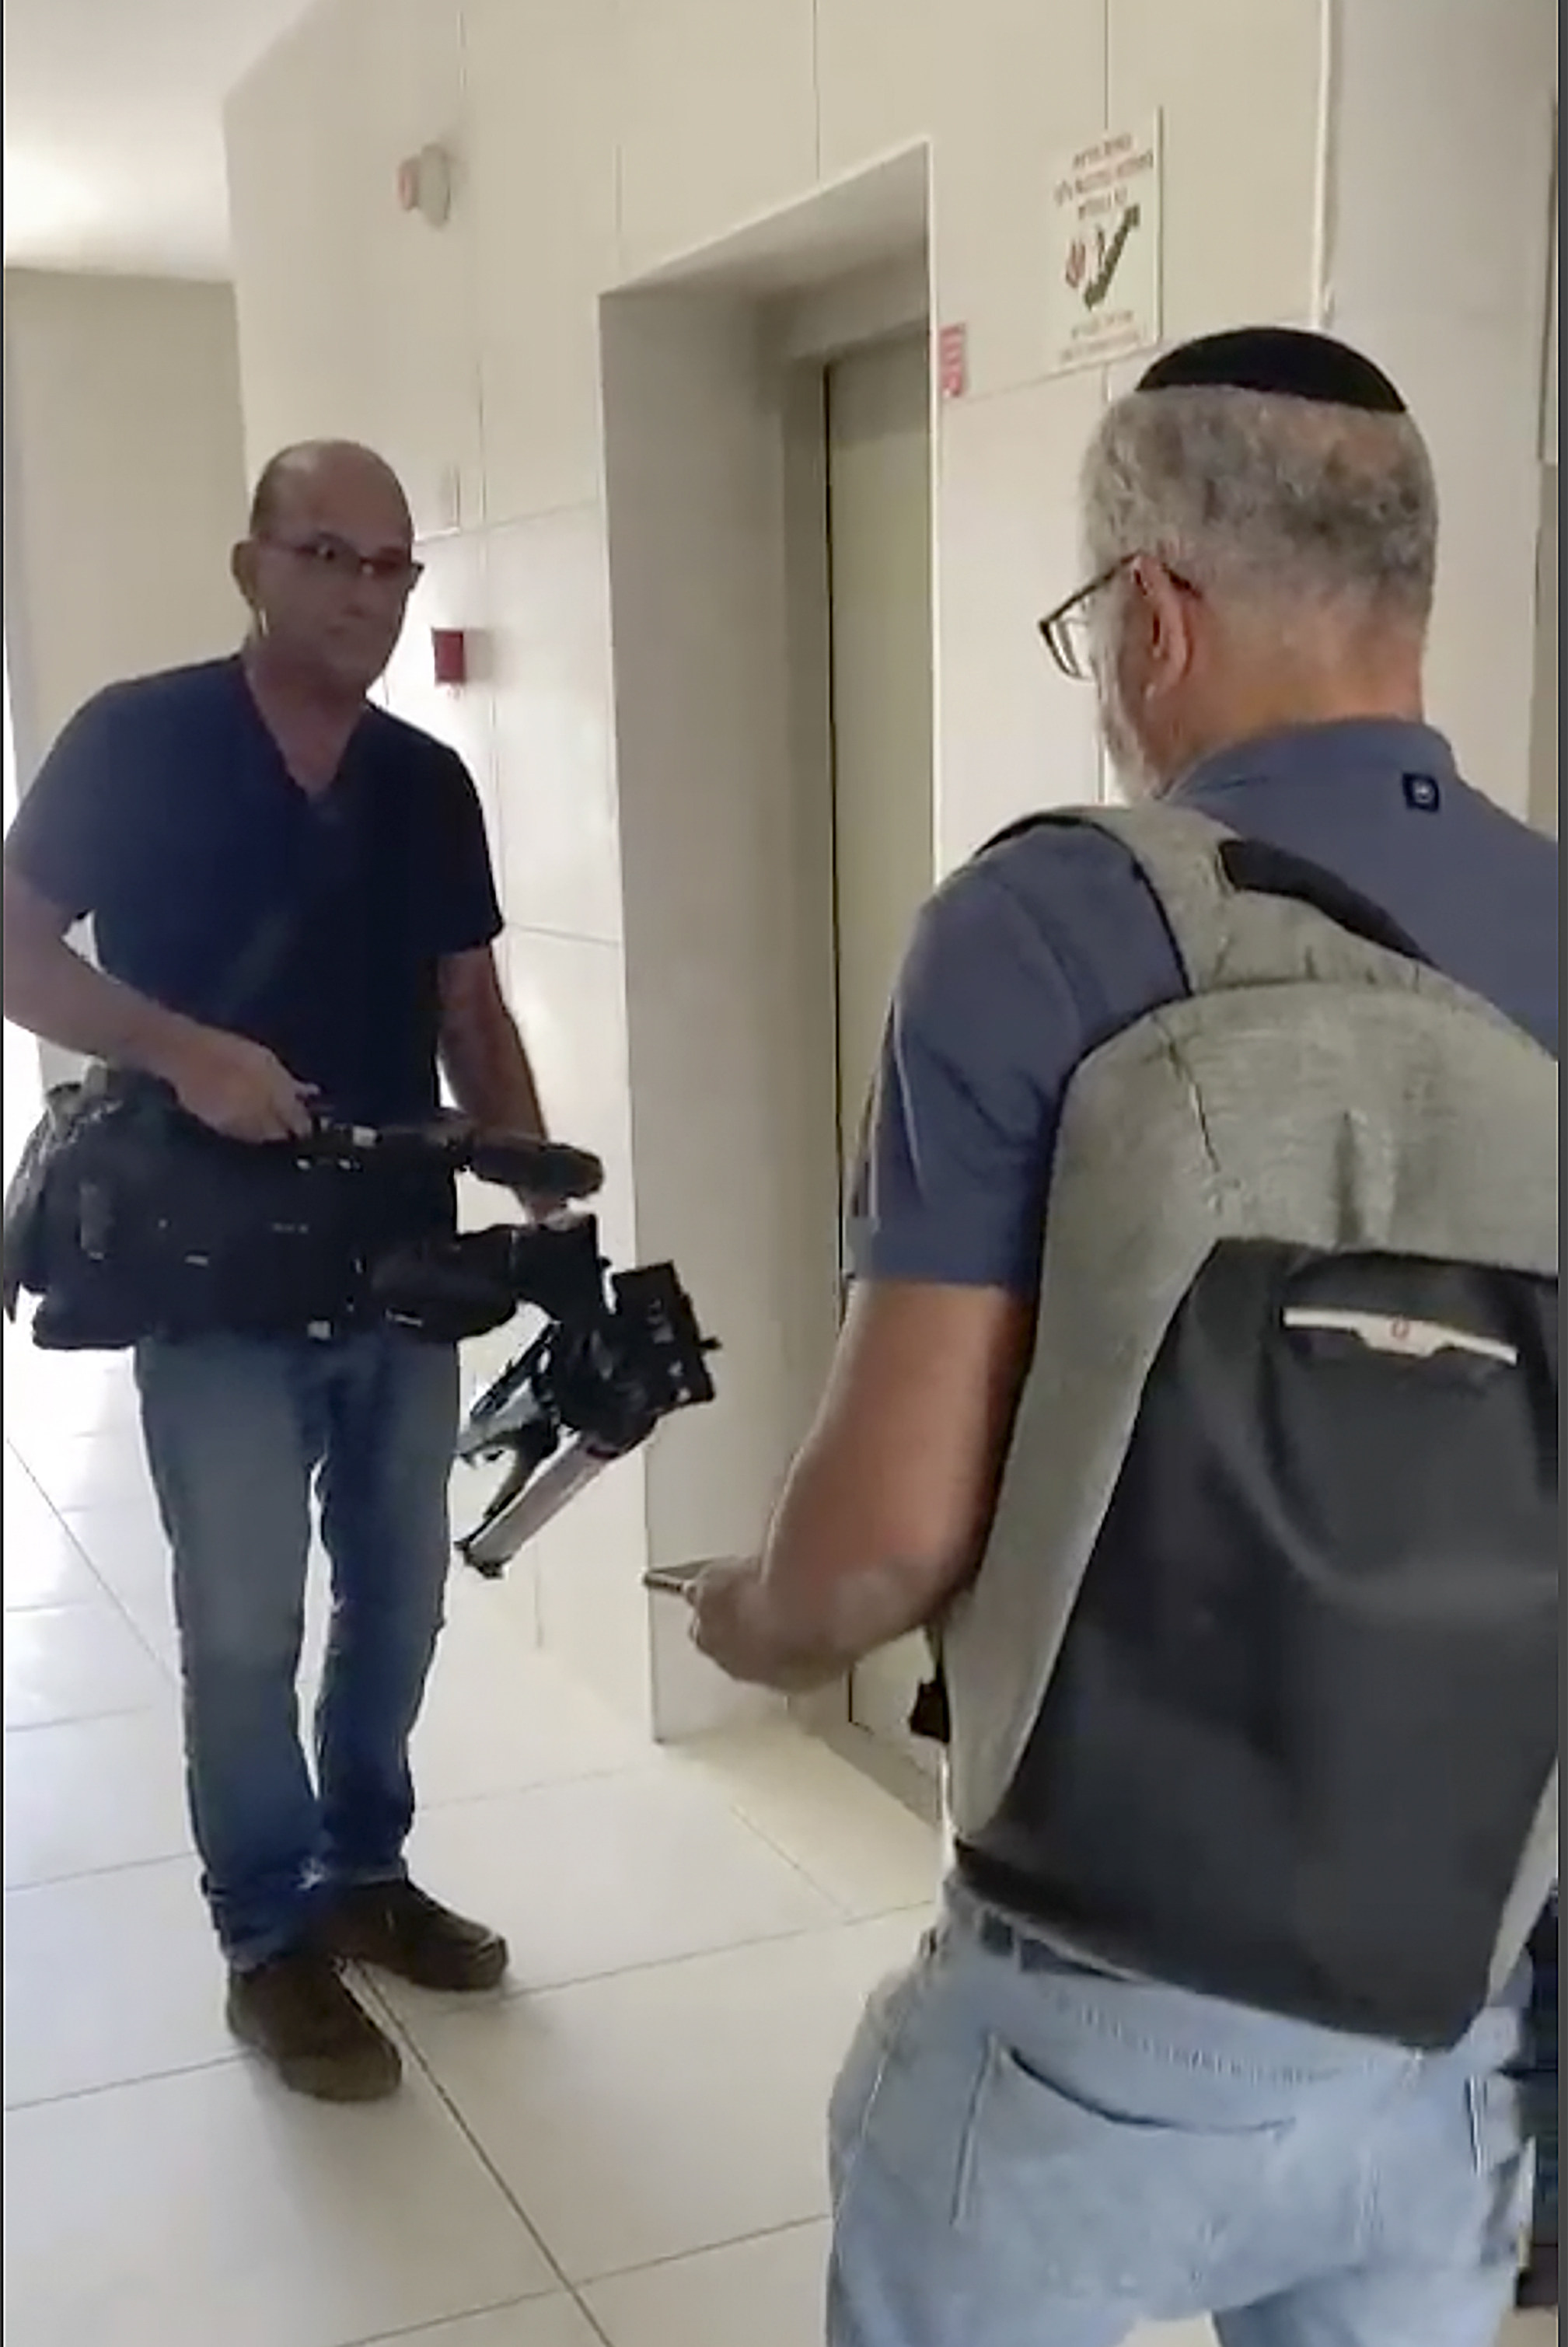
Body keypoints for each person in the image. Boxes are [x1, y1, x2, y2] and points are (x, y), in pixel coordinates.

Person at [688, 329, 1558, 2345]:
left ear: (1152, 616)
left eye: (1089, 621)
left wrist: (755, 1615)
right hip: (1444, 2020)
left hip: (1090, 2009)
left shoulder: (1045, 925)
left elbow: (891, 1532)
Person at [2, 441, 552, 2104]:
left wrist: (534, 1202)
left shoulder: (425, 781)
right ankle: (267, 1934)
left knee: (400, 1594)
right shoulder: (137, 736)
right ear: (252, 562)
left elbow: (472, 1011)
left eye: (394, 565)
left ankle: (364, 1870)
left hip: (396, 1252)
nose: (367, 594)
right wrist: (180, 1048)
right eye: (331, 555)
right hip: (209, 1256)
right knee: (242, 1622)